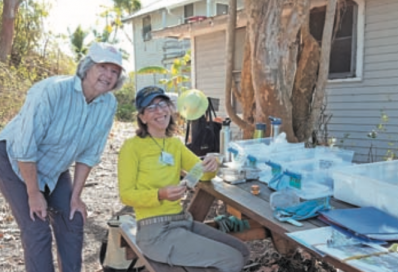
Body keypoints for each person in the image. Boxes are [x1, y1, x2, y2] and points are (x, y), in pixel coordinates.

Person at [0, 42, 126, 272]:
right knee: (37, 227)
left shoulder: (108, 104)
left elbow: (89, 155)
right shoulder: (52, 91)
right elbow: (25, 147)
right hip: (13, 158)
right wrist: (33, 193)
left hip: (54, 167)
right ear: (87, 67)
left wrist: (76, 196)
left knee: (73, 217)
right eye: (103, 67)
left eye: (115, 71)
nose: (109, 75)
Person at [118, 86, 250, 272]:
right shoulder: (132, 147)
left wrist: (211, 165)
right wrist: (160, 194)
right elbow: (126, 195)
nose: (160, 111)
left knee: (241, 251)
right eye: (151, 107)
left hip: (181, 222)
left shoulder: (174, 144)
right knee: (232, 260)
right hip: (155, 232)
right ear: (142, 117)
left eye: (163, 104)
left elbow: (202, 172)